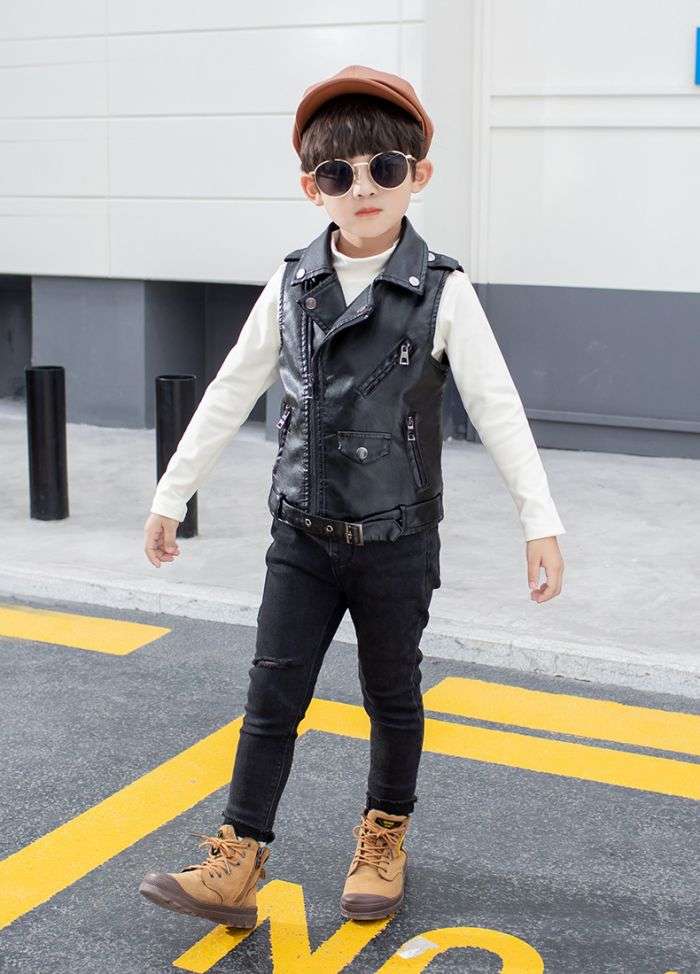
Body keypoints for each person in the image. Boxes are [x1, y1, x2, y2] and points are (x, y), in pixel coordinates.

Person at [138, 65, 566, 927]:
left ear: (418, 175)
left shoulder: (444, 290)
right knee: (271, 699)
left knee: (392, 696)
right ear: (313, 187)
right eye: (339, 173)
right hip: (300, 535)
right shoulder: (290, 283)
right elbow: (229, 391)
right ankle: (236, 862)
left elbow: (499, 409)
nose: (363, 189)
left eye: (385, 168)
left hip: (397, 539)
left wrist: (540, 521)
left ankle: (383, 842)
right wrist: (171, 494)